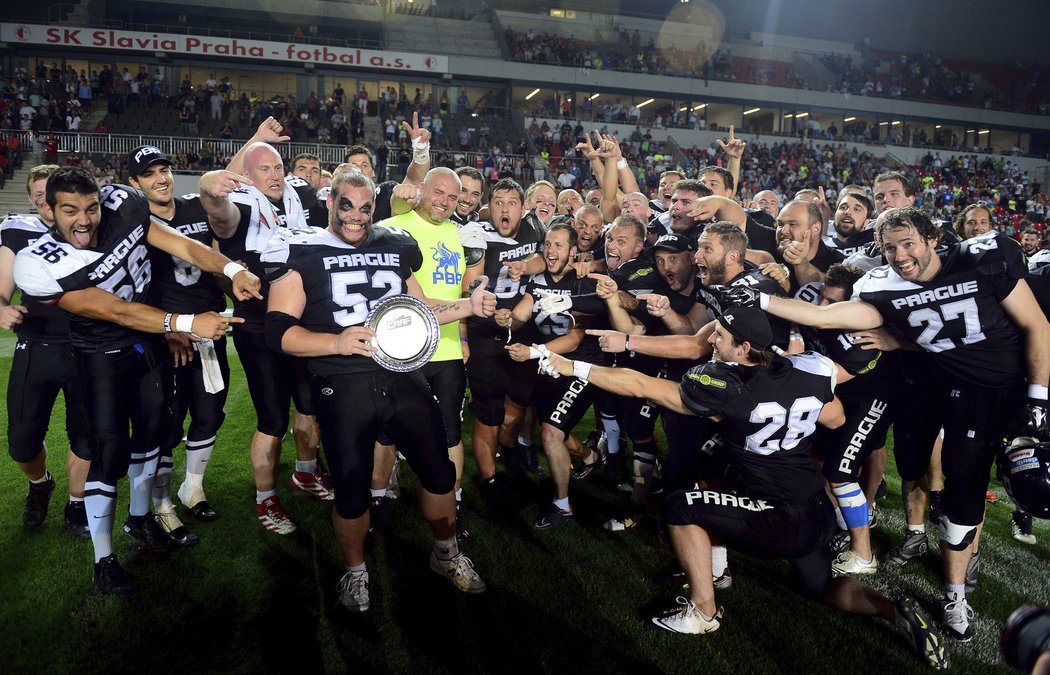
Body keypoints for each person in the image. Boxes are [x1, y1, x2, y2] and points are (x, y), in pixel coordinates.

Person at [534, 307, 948, 669]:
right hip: (814, 510)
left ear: (745, 348)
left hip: (774, 514)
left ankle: (703, 610)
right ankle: (892, 611)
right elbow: (836, 419)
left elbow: (641, 385)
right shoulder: (812, 368)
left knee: (680, 504)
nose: (711, 339)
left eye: (721, 336)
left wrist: (575, 368)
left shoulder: (727, 385)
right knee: (820, 587)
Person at [726, 206, 1050, 641]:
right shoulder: (882, 287)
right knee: (947, 481)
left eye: (909, 243)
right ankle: (952, 584)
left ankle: (959, 580)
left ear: (933, 238)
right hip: (953, 391)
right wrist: (763, 300)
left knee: (1016, 486)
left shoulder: (983, 260)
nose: (900, 255)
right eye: (890, 248)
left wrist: (1038, 398)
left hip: (1010, 387)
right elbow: (825, 317)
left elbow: (1036, 326)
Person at [12, 167, 260, 595]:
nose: (84, 220)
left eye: (90, 208)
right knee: (110, 453)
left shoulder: (122, 205)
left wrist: (232, 269)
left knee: (154, 438)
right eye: (69, 211)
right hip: (100, 355)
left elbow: (178, 242)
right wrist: (184, 321)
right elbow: (114, 310)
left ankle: (140, 519)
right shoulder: (36, 263)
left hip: (146, 345)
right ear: (50, 211)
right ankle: (103, 560)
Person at [262, 170, 494, 611]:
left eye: (365, 207)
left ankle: (446, 553)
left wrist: (467, 305)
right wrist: (335, 342)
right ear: (330, 202)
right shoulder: (301, 248)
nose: (355, 215)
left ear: (374, 207)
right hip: (341, 380)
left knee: (439, 471)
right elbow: (277, 332)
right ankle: (355, 572)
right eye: (346, 205)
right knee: (350, 488)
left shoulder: (393, 244)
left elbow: (420, 309)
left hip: (403, 375)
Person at [126, 146, 229, 543]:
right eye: (149, 174)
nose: (160, 178)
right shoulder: (133, 222)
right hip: (166, 341)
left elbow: (213, 258)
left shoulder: (194, 210)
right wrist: (166, 329)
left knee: (209, 413)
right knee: (165, 424)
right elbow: (130, 287)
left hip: (209, 331)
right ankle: (163, 505)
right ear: (135, 184)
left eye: (164, 170)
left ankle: (194, 487)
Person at [380, 167, 474, 538]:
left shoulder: (456, 233)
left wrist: (464, 337)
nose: (446, 202)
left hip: (448, 350)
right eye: (439, 193)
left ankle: (455, 500)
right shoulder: (392, 225)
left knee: (451, 433)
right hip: (402, 350)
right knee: (387, 432)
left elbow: (458, 292)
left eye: (453, 197)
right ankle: (378, 497)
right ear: (422, 190)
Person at [1, 164, 91, 536]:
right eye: (37, 194)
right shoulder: (18, 230)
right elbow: (3, 278)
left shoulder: (88, 228)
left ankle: (77, 503)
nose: (43, 200)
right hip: (36, 343)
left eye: (49, 193)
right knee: (22, 442)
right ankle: (40, 483)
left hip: (87, 344)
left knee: (87, 436)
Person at [495, 222, 601, 527]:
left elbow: (576, 337)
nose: (551, 251)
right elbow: (521, 315)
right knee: (552, 427)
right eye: (548, 244)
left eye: (558, 245)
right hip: (550, 365)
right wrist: (507, 321)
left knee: (551, 431)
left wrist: (534, 352)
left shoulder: (582, 282)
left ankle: (562, 505)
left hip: (580, 366)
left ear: (572, 251)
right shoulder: (536, 280)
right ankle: (590, 457)